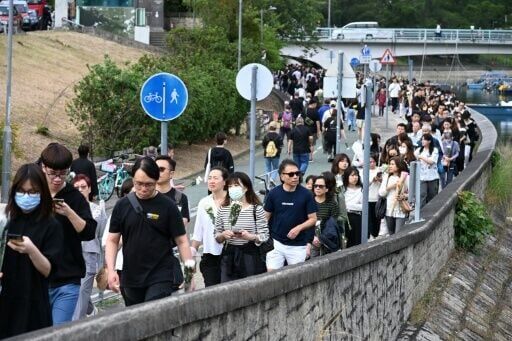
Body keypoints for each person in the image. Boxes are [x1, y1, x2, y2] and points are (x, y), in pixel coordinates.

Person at [105, 157, 194, 306]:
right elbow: (112, 240)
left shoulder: (168, 206)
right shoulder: (122, 205)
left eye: (149, 184)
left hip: (161, 275)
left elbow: (182, 241)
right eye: (138, 184)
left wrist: (190, 275)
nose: (143, 189)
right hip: (131, 277)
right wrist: (111, 270)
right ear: (133, 179)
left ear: (156, 180)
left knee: (152, 313)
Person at [0, 164, 62, 338]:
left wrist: (31, 250)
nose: (26, 196)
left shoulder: (51, 225)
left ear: (42, 193)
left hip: (33, 304)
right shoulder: (7, 221)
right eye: (21, 190)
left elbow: (49, 270)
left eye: (33, 192)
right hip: (6, 302)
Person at [40, 143, 97, 325]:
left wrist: (69, 212)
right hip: (36, 280)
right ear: (43, 168)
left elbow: (89, 232)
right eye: (53, 173)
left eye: (63, 173)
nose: (58, 178)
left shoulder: (74, 197)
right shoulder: (34, 193)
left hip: (67, 279)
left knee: (58, 333)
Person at [214, 172, 269, 282]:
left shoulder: (256, 209)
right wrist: (223, 235)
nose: (232, 189)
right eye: (230, 186)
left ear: (246, 188)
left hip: (250, 255)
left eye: (236, 185)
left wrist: (251, 237)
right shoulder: (223, 209)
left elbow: (265, 236)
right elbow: (217, 235)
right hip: (229, 256)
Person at [265, 159, 317, 270]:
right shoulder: (273, 193)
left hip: (298, 246)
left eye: (297, 173)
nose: (295, 177)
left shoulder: (306, 194)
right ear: (282, 176)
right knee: (271, 278)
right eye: (291, 174)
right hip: (276, 243)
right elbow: (266, 217)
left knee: (296, 279)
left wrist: (299, 228)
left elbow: (313, 219)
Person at [71, 174, 107, 320]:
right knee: (74, 289)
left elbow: (101, 237)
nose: (80, 190)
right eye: (76, 187)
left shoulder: (98, 210)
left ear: (90, 188)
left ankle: (75, 326)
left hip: (90, 255)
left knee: (82, 290)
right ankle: (92, 311)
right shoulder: (67, 208)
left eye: (83, 187)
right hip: (71, 255)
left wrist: (103, 263)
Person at [191, 167, 227, 287]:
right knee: (211, 290)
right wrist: (193, 253)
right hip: (210, 255)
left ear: (224, 182)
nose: (211, 181)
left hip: (230, 254)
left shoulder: (234, 202)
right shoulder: (204, 203)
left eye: (216, 178)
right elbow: (198, 233)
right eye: (210, 178)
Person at [378, 156, 409, 235]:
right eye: (390, 164)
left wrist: (404, 196)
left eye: (392, 164)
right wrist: (390, 187)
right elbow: (381, 193)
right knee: (391, 233)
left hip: (401, 209)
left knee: (399, 233)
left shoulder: (406, 177)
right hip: (389, 209)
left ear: (399, 165)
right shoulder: (387, 177)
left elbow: (411, 193)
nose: (390, 166)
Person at [155, 156, 190, 226]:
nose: (157, 172)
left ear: (171, 174)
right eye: (155, 169)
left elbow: (182, 225)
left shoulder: (180, 197)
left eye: (161, 169)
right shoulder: (146, 195)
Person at [310, 175, 340, 257]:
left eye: (320, 186)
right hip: (310, 238)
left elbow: (333, 224)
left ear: (326, 189)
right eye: (315, 186)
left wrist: (321, 239)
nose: (317, 188)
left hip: (326, 239)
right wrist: (311, 238)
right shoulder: (309, 201)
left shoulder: (332, 204)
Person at [414, 134, 440, 207]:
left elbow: (431, 161)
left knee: (432, 195)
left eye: (424, 139)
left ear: (429, 141)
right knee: (422, 194)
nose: (422, 141)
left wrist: (421, 157)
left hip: (432, 176)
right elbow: (413, 157)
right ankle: (421, 211)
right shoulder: (419, 150)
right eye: (422, 139)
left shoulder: (434, 150)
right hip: (422, 176)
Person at [343, 167, 363, 247]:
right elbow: (341, 205)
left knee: (357, 241)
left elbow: (363, 207)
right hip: (345, 217)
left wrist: (348, 205)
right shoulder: (343, 189)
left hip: (358, 217)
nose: (355, 177)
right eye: (352, 175)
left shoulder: (361, 189)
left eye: (356, 175)